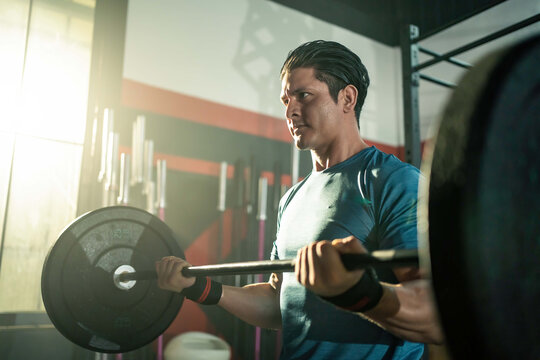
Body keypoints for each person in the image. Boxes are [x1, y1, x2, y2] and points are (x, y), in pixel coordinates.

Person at [156, 40, 442, 359]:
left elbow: (436, 314)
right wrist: (201, 288)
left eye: (304, 96)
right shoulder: (292, 198)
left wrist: (359, 293)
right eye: (286, 99)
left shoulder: (393, 181)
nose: (290, 111)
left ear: (347, 98)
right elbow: (279, 302)